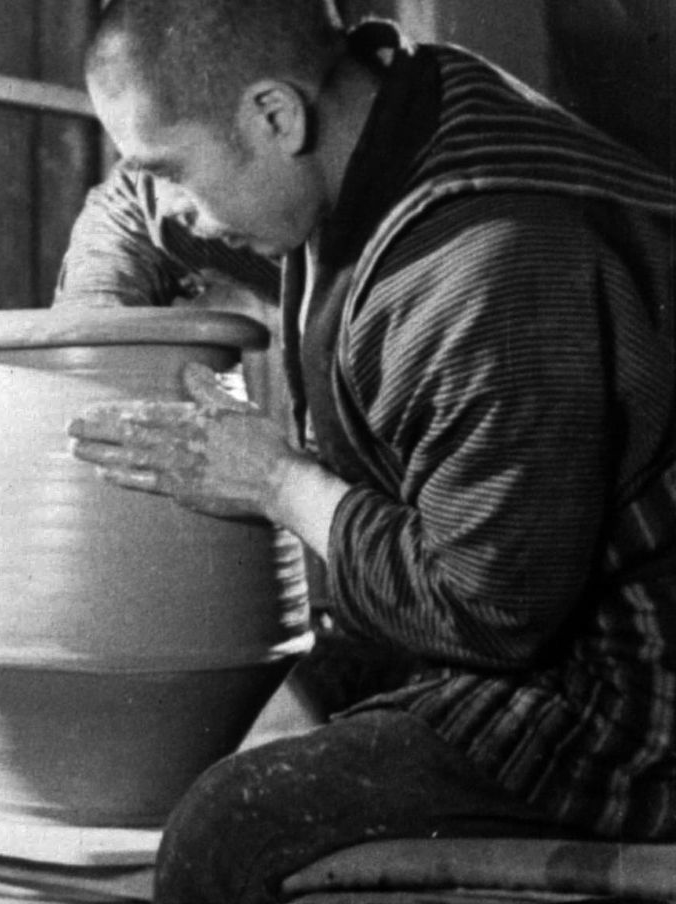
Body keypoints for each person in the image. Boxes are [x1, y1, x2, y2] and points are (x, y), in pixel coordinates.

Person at [58, 1, 676, 901]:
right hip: (493, 599)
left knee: (225, 827)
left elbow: (493, 614)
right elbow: (128, 201)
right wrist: (98, 330)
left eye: (177, 172)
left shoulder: (487, 257)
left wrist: (276, 481)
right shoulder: (380, 112)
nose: (177, 205)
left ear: (275, 115)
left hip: (625, 680)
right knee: (235, 741)